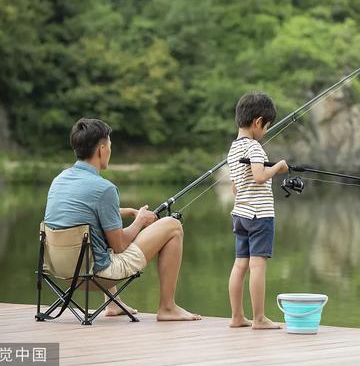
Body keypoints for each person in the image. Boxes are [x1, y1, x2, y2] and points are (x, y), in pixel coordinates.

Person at [43, 118, 200, 321]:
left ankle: (112, 303)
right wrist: (140, 220)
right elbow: (120, 246)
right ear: (101, 149)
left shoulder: (59, 180)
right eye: (109, 145)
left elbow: (86, 213)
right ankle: (167, 307)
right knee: (173, 225)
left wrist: (126, 211)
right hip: (97, 275)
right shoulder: (104, 188)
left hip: (63, 272)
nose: (110, 150)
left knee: (97, 235)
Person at [226, 92, 288, 329]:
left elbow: (234, 187)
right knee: (257, 265)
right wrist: (278, 168)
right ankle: (259, 318)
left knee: (240, 264)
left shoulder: (233, 149)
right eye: (267, 126)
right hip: (259, 216)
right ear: (258, 121)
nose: (266, 132)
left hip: (240, 214)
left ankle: (236, 317)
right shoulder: (254, 148)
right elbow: (260, 176)